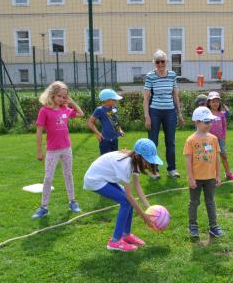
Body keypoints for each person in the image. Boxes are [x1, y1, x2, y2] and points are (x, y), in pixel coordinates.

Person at [84, 139, 160, 252]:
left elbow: (137, 186)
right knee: (126, 201)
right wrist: (144, 216)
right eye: (148, 161)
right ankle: (114, 242)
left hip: (105, 178)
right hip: (94, 179)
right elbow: (129, 196)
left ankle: (126, 235)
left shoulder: (135, 162)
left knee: (127, 201)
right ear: (139, 156)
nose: (149, 164)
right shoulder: (126, 165)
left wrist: (148, 208)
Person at [32, 81, 84, 219]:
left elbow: (81, 113)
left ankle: (72, 202)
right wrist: (39, 150)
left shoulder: (65, 110)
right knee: (48, 178)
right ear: (52, 95)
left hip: (66, 149)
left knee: (68, 175)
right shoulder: (44, 111)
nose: (62, 99)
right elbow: (38, 132)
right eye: (60, 96)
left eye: (64, 96)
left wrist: (71, 102)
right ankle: (43, 207)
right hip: (52, 151)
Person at [143, 49, 185, 180]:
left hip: (170, 112)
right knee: (153, 142)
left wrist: (179, 114)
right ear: (154, 63)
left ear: (166, 62)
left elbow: (175, 95)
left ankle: (172, 169)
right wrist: (147, 117)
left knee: (170, 142)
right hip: (154, 111)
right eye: (157, 62)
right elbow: (146, 98)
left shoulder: (172, 75)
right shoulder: (150, 76)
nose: (160, 64)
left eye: (163, 61)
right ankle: (153, 170)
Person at [184, 106, 224, 239]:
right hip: (196, 179)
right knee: (194, 202)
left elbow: (217, 158)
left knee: (210, 202)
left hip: (210, 178)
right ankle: (193, 226)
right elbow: (188, 161)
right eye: (206, 122)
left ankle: (213, 226)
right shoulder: (190, 140)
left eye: (210, 121)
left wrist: (218, 175)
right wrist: (190, 178)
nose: (209, 124)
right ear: (197, 122)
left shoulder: (213, 139)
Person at [207, 91, 233, 181]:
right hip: (209, 141)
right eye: (213, 101)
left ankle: (228, 173)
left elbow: (224, 126)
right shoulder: (206, 113)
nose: (215, 103)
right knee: (210, 157)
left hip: (220, 139)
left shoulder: (222, 114)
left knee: (223, 156)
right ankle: (211, 175)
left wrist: (223, 136)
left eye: (217, 101)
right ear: (209, 103)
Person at [87, 88, 125, 155]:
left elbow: (114, 120)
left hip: (115, 139)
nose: (116, 101)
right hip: (105, 140)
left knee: (114, 157)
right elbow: (90, 123)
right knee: (105, 159)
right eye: (114, 100)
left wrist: (120, 130)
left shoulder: (114, 108)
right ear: (107, 100)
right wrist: (98, 134)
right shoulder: (99, 110)